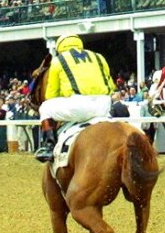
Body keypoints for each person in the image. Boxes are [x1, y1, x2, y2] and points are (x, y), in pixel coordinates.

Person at [33, 34, 116, 162]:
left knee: (45, 107)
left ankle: (49, 146)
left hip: (79, 105)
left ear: (59, 47)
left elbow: (51, 94)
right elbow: (111, 85)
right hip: (104, 105)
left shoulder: (58, 60)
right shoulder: (99, 57)